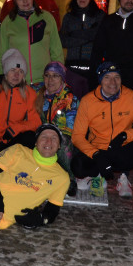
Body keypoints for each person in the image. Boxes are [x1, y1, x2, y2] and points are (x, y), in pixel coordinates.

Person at [71, 61, 133, 217]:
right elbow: (77, 136)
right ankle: (97, 176)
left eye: (117, 77)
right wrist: (96, 155)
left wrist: (126, 135)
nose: (113, 82)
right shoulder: (88, 101)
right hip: (99, 152)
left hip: (120, 150)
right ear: (100, 80)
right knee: (77, 165)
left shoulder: (131, 96)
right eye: (107, 77)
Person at [0, 0, 63, 85]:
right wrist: (0, 74)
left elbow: (56, 48)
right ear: (15, 1)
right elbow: (2, 51)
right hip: (18, 81)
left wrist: (59, 71)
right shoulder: (8, 22)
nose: (25, 1)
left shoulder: (47, 18)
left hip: (44, 81)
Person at [32, 61, 79, 189]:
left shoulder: (70, 99)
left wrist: (52, 136)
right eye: (47, 75)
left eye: (55, 76)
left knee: (61, 141)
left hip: (62, 137)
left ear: (62, 78)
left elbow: (71, 128)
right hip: (41, 134)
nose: (50, 79)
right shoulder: (37, 92)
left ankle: (70, 177)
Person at [0, 49, 43, 153]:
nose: (16, 75)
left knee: (30, 137)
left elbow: (36, 122)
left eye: (20, 71)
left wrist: (16, 128)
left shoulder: (29, 93)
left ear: (24, 75)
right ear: (6, 72)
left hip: (16, 138)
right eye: (12, 70)